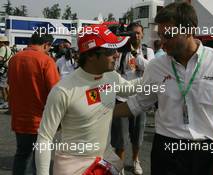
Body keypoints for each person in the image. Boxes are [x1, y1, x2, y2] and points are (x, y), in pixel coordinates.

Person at [114, 2, 213, 175]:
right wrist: (98, 111)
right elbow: (138, 103)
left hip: (206, 152)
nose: (163, 42)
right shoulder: (156, 66)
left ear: (189, 30)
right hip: (167, 151)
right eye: (161, 35)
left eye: (169, 35)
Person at [35, 24, 141, 175]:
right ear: (91, 55)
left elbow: (131, 88)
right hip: (73, 167)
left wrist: (161, 79)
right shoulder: (62, 91)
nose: (117, 55)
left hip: (105, 161)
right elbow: (44, 139)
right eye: (110, 51)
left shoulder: (111, 77)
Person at [8, 31, 60, 175]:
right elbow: (55, 92)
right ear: (46, 45)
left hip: (19, 117)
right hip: (40, 119)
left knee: (22, 155)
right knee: (38, 161)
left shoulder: (14, 59)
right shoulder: (46, 61)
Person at [112, 22, 154, 175]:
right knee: (120, 139)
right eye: (132, 33)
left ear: (142, 34)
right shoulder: (120, 51)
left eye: (138, 33)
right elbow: (113, 70)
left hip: (140, 100)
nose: (136, 35)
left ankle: (136, 160)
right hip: (121, 99)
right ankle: (119, 165)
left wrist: (136, 55)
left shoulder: (147, 51)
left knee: (137, 136)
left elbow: (151, 69)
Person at [0, 36, 13, 110]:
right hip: (8, 69)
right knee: (6, 86)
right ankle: (8, 101)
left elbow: (0, 58)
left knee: (3, 86)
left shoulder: (2, 48)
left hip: (4, 69)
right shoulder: (8, 48)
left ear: (2, 42)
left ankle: (6, 102)